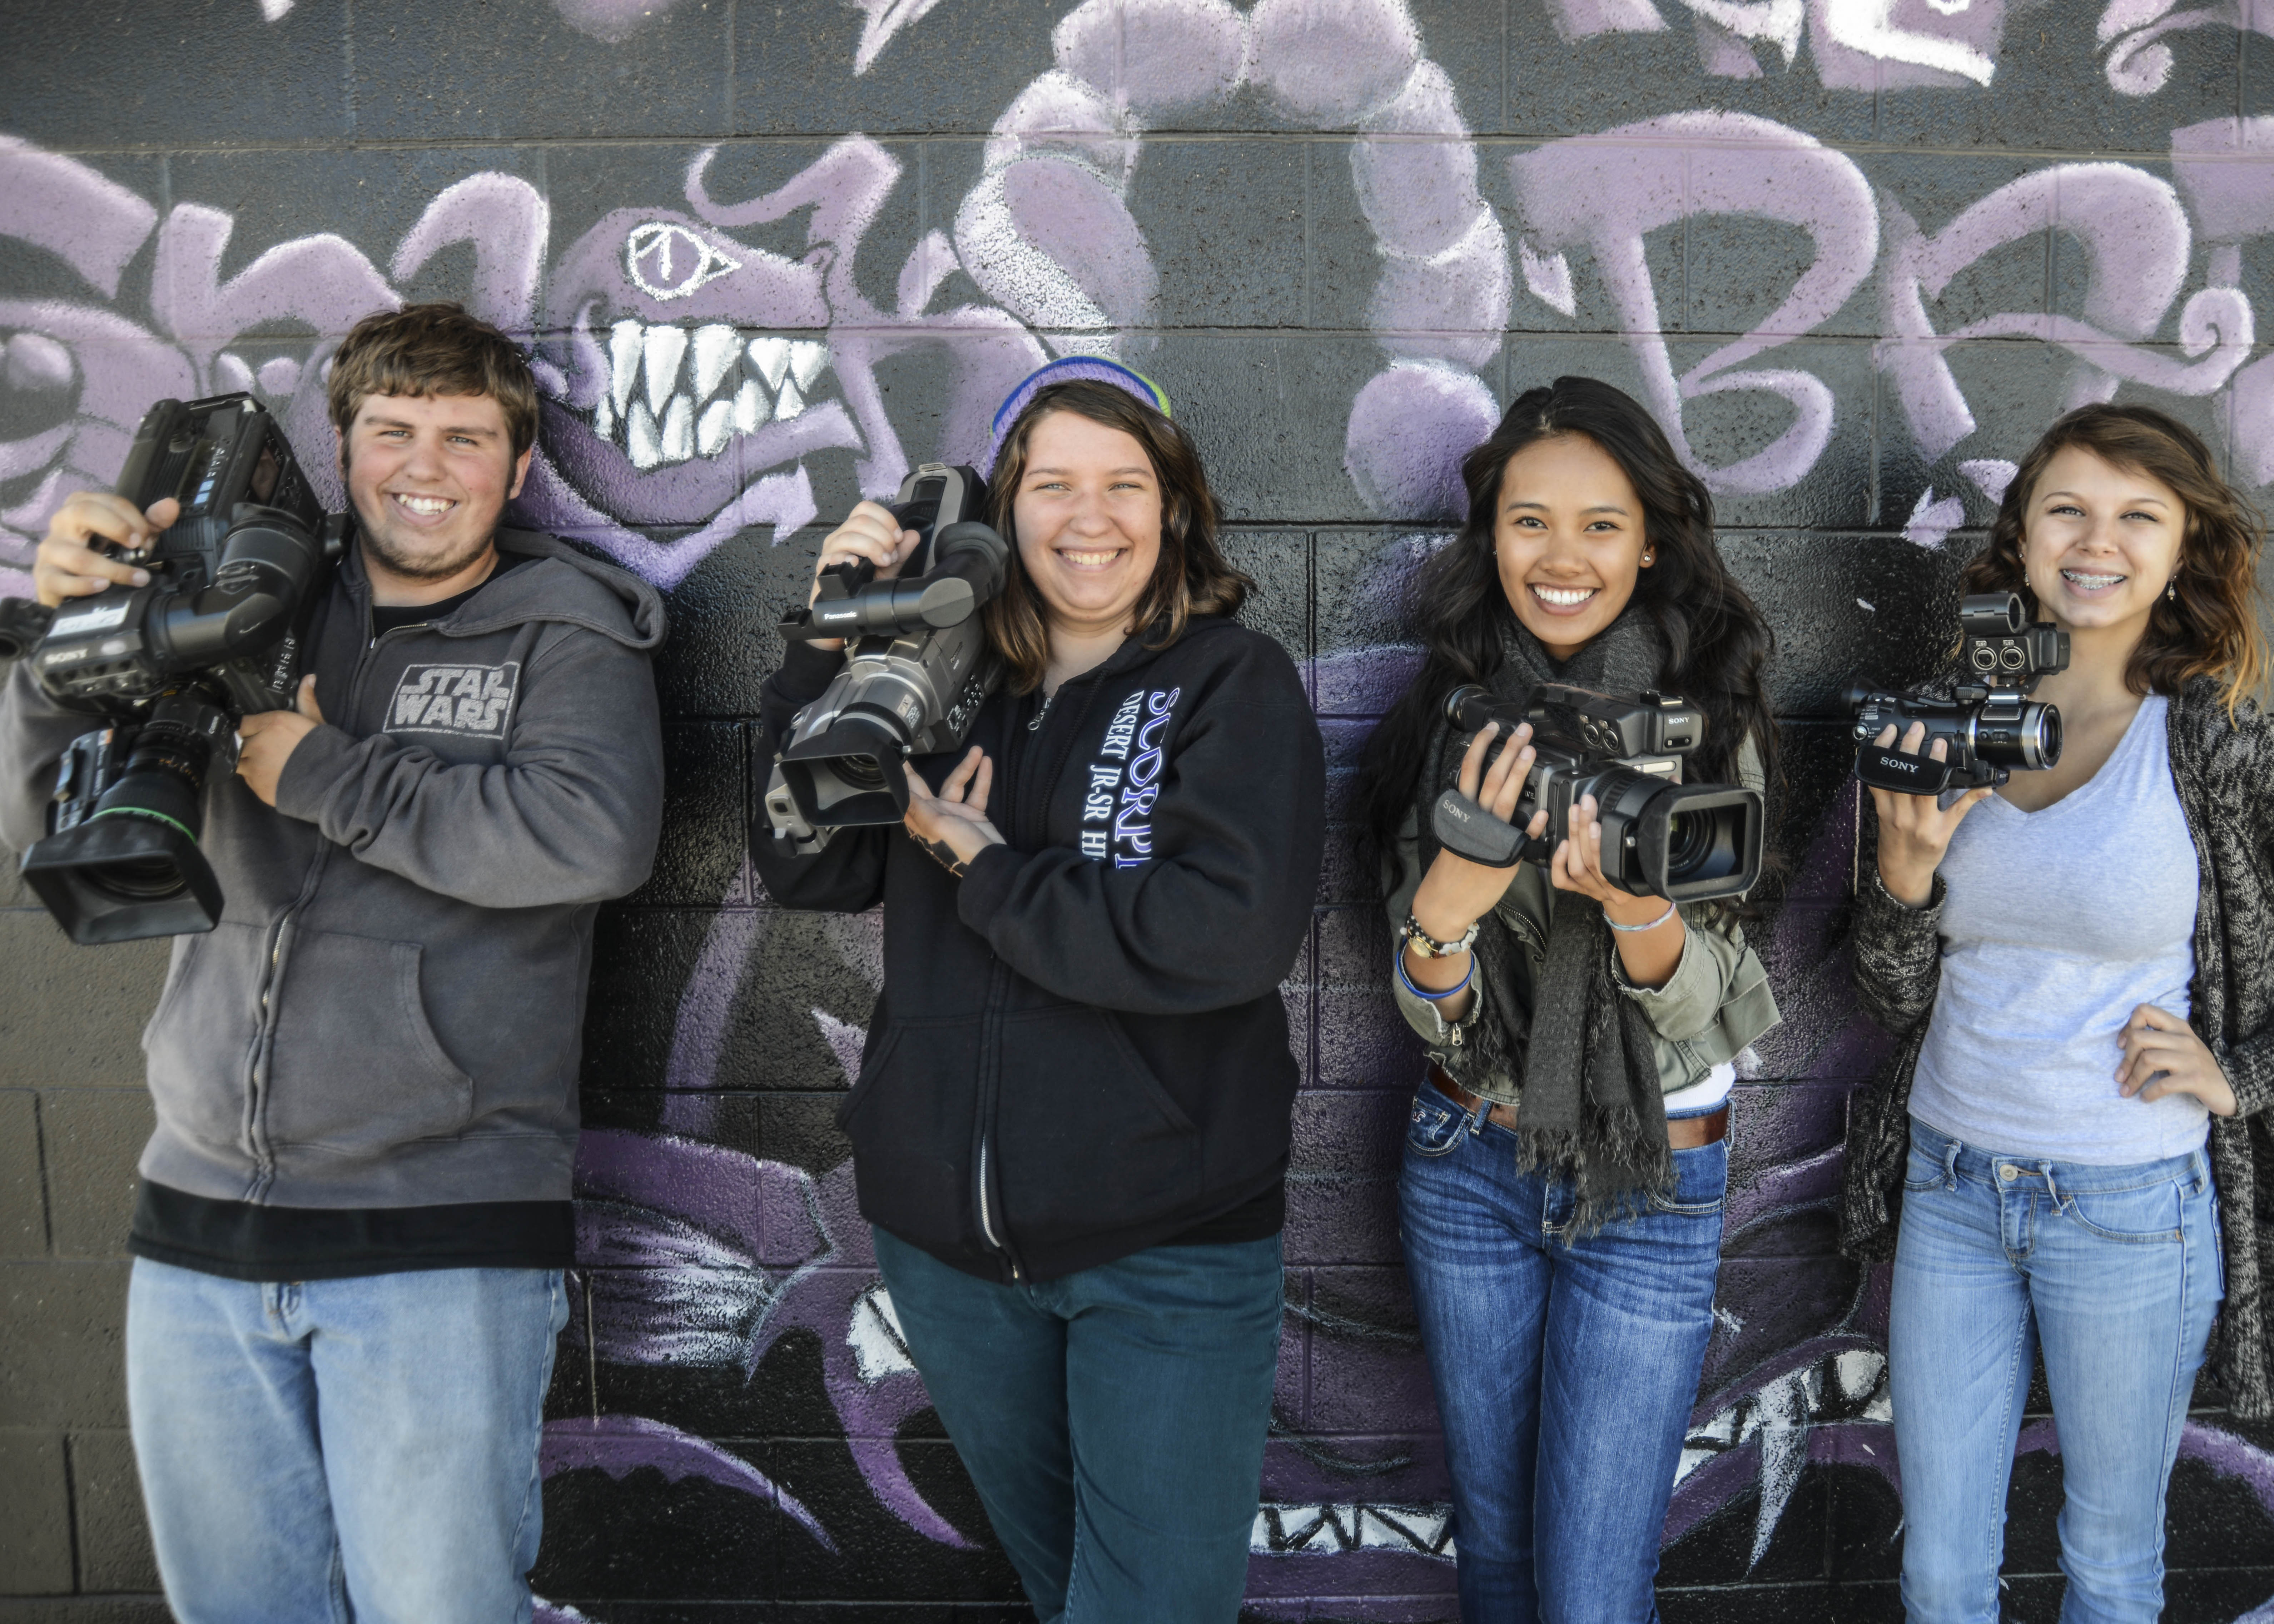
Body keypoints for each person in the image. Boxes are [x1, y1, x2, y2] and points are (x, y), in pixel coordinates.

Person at [0, 302, 666, 1623]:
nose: (427, 465)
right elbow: (34, 823)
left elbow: (592, 838)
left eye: (466, 436)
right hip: (198, 1227)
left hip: (441, 1233)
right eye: (391, 430)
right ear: (346, 447)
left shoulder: (563, 626)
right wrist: (60, 646)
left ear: (520, 465)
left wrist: (328, 776)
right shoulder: (242, 600)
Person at [750, 356, 1323, 1624]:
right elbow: (806, 864)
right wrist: (828, 640)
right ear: (1004, 512)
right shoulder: (943, 685)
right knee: (1066, 1589)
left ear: (1174, 508)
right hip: (951, 1251)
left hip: (1167, 1246)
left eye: (1126, 483)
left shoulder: (1231, 682)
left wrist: (984, 865)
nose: (1089, 515)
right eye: (1053, 483)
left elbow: (1219, 939)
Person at [1353, 375, 1783, 1622]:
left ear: (1651, 540)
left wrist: (1638, 912)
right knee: (1493, 1561)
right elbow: (1430, 1004)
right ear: (1489, 535)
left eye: (1600, 523)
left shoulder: (1708, 720)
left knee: (1591, 1596)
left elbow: (1705, 1007)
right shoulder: (1447, 722)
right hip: (1464, 1153)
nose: (1561, 557)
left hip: (1652, 1174)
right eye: (1527, 520)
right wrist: (1447, 904)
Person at [1839, 403, 2274, 1623]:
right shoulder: (1950, 709)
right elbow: (1886, 989)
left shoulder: (2219, 732)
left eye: (2138, 514)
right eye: (2066, 509)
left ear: (2184, 544)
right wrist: (1904, 882)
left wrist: (2241, 1071)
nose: (2098, 540)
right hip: (1951, 1181)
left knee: (2108, 1563)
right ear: (2022, 538)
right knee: (1938, 1570)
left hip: (2128, 1205)